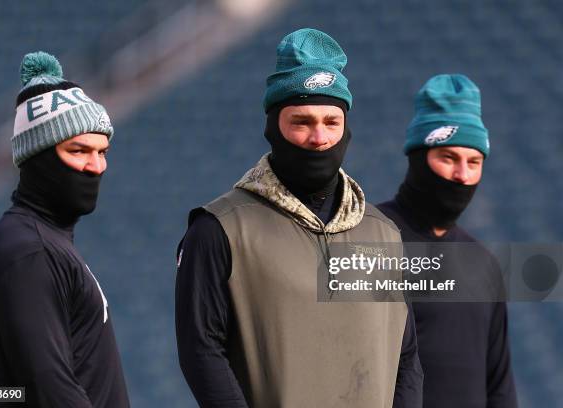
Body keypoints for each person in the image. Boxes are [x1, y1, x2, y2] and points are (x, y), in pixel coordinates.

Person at [176, 28, 422, 408]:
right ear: (273, 127)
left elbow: (406, 357)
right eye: (301, 121)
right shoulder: (219, 229)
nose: (319, 137)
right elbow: (201, 350)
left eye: (331, 121)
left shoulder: (384, 234)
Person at [0, 51, 130, 408]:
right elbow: (51, 391)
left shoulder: (33, 240)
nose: (96, 166)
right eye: (78, 150)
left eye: (102, 151)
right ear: (37, 156)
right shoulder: (31, 252)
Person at [377, 74, 518, 408]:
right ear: (417, 156)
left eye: (474, 162)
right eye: (448, 158)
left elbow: (499, 384)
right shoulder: (366, 241)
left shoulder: (482, 262)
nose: (462, 176)